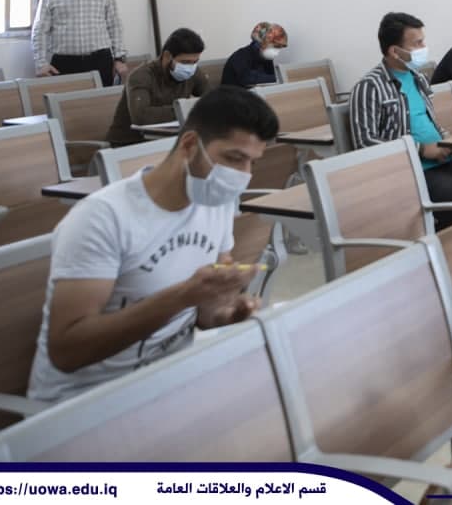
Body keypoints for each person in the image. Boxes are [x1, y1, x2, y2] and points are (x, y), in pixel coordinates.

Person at [27, 86, 279, 402]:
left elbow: (205, 313)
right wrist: (182, 296)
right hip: (88, 398)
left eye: (252, 163)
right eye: (234, 158)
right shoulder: (103, 218)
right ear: (190, 145)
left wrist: (224, 315)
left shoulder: (216, 201)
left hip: (169, 379)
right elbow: (67, 351)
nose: (243, 175)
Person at [351, 12, 452, 227]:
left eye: (423, 41)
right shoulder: (369, 87)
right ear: (395, 51)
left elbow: (430, 122)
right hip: (415, 171)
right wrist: (421, 150)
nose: (424, 47)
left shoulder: (418, 78)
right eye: (417, 43)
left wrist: (448, 140)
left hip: (446, 162)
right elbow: (365, 143)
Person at [106, 28, 209, 146]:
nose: (190, 67)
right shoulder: (141, 76)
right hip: (128, 144)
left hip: (167, 140)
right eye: (185, 62)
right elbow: (141, 116)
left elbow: (213, 102)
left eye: (195, 62)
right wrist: (185, 109)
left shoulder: (193, 72)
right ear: (167, 56)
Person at [222, 22, 287, 87]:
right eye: (274, 46)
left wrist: (281, 77)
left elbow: (271, 77)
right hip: (234, 92)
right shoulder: (240, 56)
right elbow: (249, 79)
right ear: (260, 42)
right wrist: (281, 78)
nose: (276, 52)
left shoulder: (266, 59)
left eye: (278, 47)